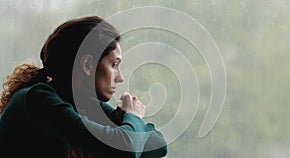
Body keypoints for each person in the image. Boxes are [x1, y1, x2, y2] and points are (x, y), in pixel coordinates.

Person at [0, 16, 167, 158]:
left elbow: (159, 145)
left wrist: (121, 120)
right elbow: (127, 150)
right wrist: (133, 117)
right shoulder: (38, 99)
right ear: (87, 64)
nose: (120, 77)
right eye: (114, 64)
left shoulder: (84, 103)